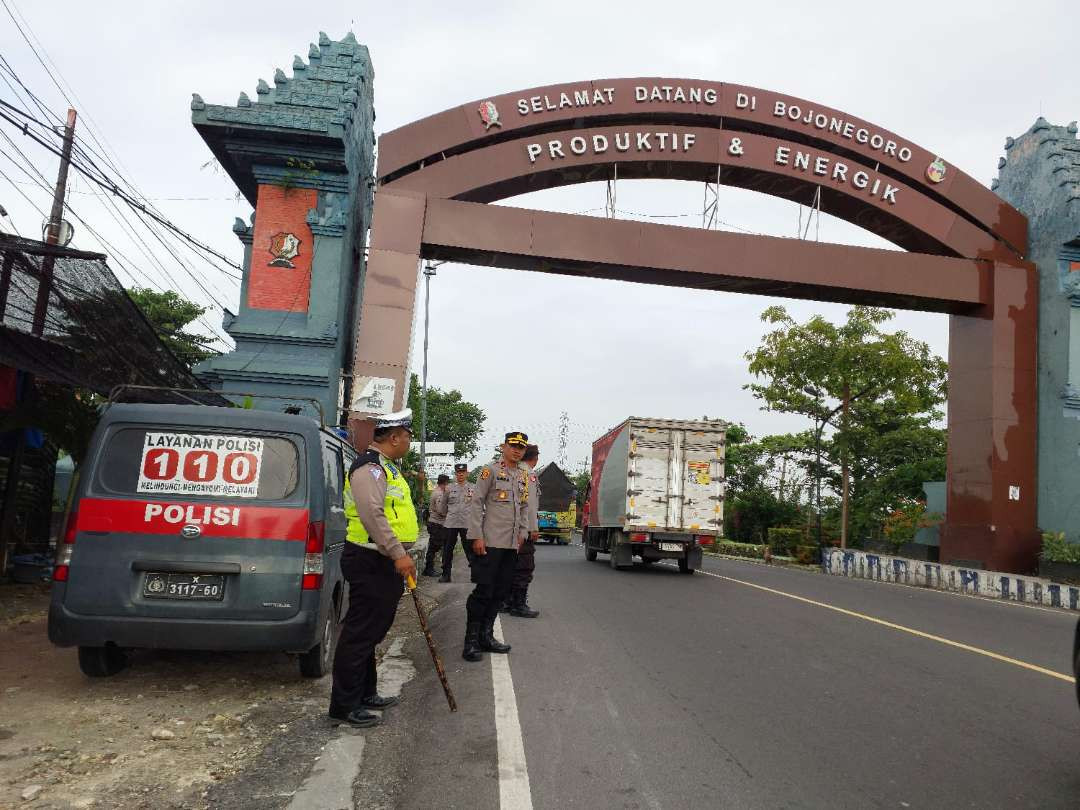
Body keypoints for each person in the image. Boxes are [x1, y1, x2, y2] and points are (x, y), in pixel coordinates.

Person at [329, 409, 418, 728]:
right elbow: (372, 514)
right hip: (370, 558)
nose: (409, 441)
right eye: (407, 436)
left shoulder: (387, 468)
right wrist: (398, 553)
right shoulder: (370, 468)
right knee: (360, 632)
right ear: (394, 437)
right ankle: (344, 704)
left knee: (371, 631)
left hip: (381, 558)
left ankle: (365, 692)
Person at [463, 431, 531, 662]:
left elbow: (523, 508)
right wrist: (476, 536)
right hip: (489, 542)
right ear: (503, 446)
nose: (517, 450)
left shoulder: (522, 476)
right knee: (484, 591)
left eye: (521, 447)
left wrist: (523, 533)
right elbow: (476, 503)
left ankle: (487, 636)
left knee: (501, 592)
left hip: (511, 545)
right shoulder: (490, 470)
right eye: (513, 445)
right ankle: (470, 642)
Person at [506, 443, 541, 618]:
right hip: (523, 529)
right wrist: (533, 528)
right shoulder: (529, 474)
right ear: (535, 459)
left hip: (507, 528)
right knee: (524, 567)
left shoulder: (510, 470)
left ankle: (506, 601)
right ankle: (518, 604)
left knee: (509, 565)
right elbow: (531, 504)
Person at [440, 462, 475, 582]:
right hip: (451, 524)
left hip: (467, 523)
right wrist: (448, 516)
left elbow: (477, 506)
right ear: (455, 474)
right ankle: (446, 574)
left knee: (470, 550)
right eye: (458, 473)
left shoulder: (473, 488)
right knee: (447, 550)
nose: (460, 475)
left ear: (467, 473)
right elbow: (443, 507)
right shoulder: (449, 488)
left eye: (463, 472)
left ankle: (476, 573)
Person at [422, 474, 450, 577]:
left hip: (436, 523)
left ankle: (429, 568)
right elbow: (441, 511)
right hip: (437, 524)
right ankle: (429, 569)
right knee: (433, 547)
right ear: (445, 483)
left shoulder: (438, 492)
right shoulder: (439, 494)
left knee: (434, 546)